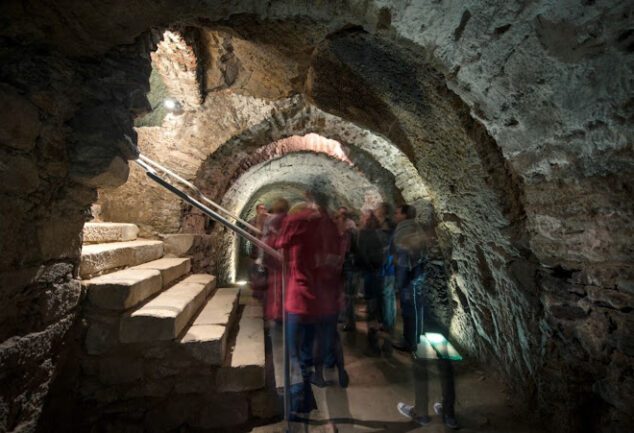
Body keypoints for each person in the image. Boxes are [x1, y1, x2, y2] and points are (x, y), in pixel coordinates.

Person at [274, 183, 348, 416]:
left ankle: (299, 402)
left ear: (309, 198)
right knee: (314, 347)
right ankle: (314, 385)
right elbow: (337, 260)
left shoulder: (297, 221)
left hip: (300, 298)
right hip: (325, 301)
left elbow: (281, 250)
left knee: (296, 354)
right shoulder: (331, 226)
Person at [392, 204, 427, 352]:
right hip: (418, 270)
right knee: (417, 304)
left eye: (398, 213)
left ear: (405, 215)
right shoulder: (417, 227)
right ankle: (417, 336)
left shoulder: (405, 228)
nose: (395, 215)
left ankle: (409, 341)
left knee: (408, 307)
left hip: (408, 271)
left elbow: (403, 249)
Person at [356, 210, 386, 355]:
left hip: (370, 273)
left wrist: (365, 267)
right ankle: (377, 339)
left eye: (362, 216)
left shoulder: (364, 234)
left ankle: (374, 346)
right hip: (379, 272)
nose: (360, 218)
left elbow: (362, 254)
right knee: (377, 306)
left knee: (372, 308)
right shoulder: (380, 232)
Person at [375, 202, 397, 355]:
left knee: (387, 296)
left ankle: (388, 323)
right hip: (387, 266)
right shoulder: (388, 225)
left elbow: (385, 246)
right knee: (387, 295)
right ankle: (387, 322)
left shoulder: (387, 226)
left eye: (378, 209)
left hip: (387, 267)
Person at [335, 207, 358, 332]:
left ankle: (349, 321)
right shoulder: (347, 230)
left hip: (349, 263)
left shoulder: (349, 231)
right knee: (344, 293)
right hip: (346, 263)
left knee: (347, 294)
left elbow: (346, 249)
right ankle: (344, 317)